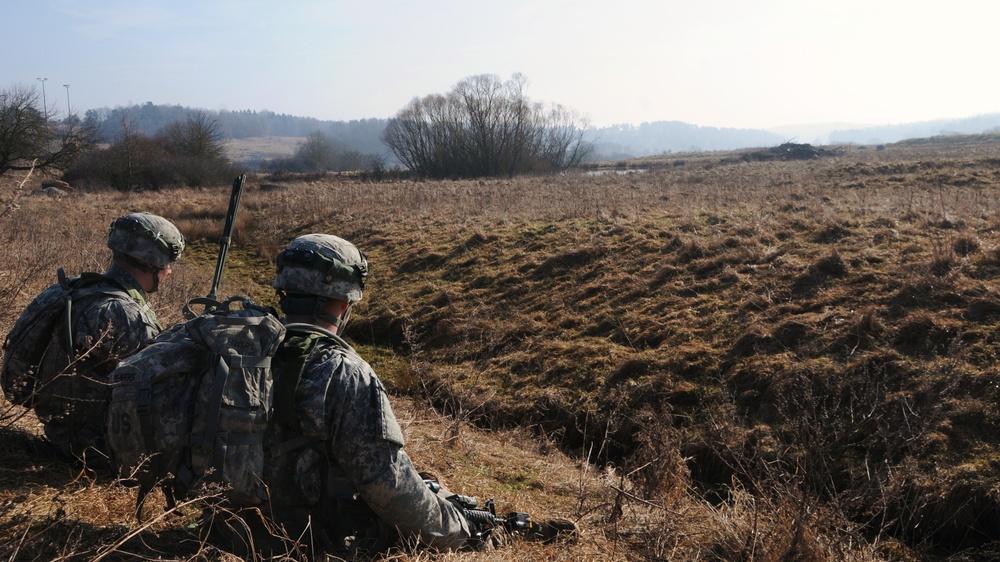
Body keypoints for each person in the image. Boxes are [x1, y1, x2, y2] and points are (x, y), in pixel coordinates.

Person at [248, 233, 472, 558]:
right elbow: (389, 489)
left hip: (223, 532)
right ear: (344, 302)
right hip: (299, 547)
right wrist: (457, 529)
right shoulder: (345, 373)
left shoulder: (240, 351)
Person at [34, 212, 184, 464]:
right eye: (168, 262)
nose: (169, 270)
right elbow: (161, 390)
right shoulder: (127, 315)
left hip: (56, 430)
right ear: (152, 262)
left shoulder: (71, 290)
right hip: (97, 451)